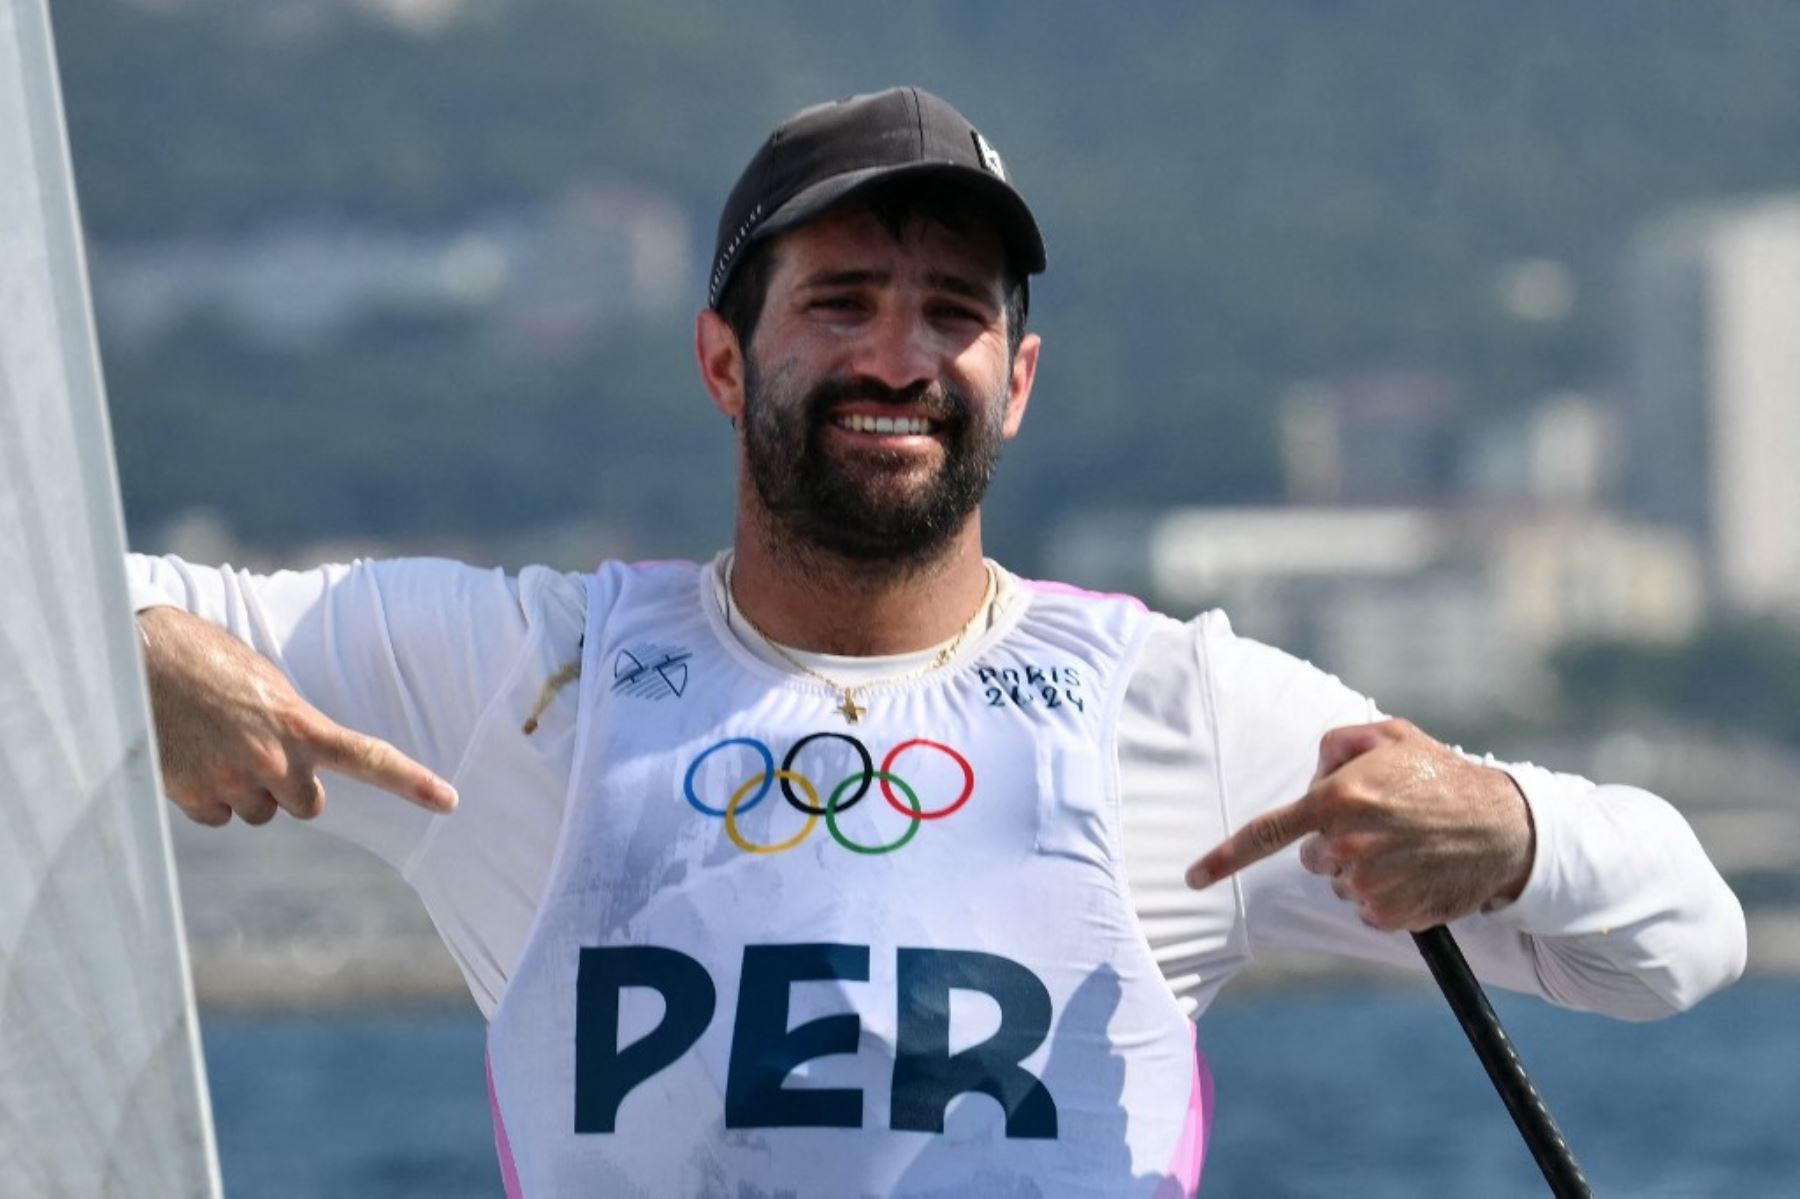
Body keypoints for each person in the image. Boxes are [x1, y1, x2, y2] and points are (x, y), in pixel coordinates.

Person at [131, 87, 1745, 1196]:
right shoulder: (513, 684)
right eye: (840, 300)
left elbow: (1683, 944)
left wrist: (1514, 830)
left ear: (1019, 382)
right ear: (719, 359)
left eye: (954, 311)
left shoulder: (1179, 714)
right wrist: (131, 646)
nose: (900, 355)